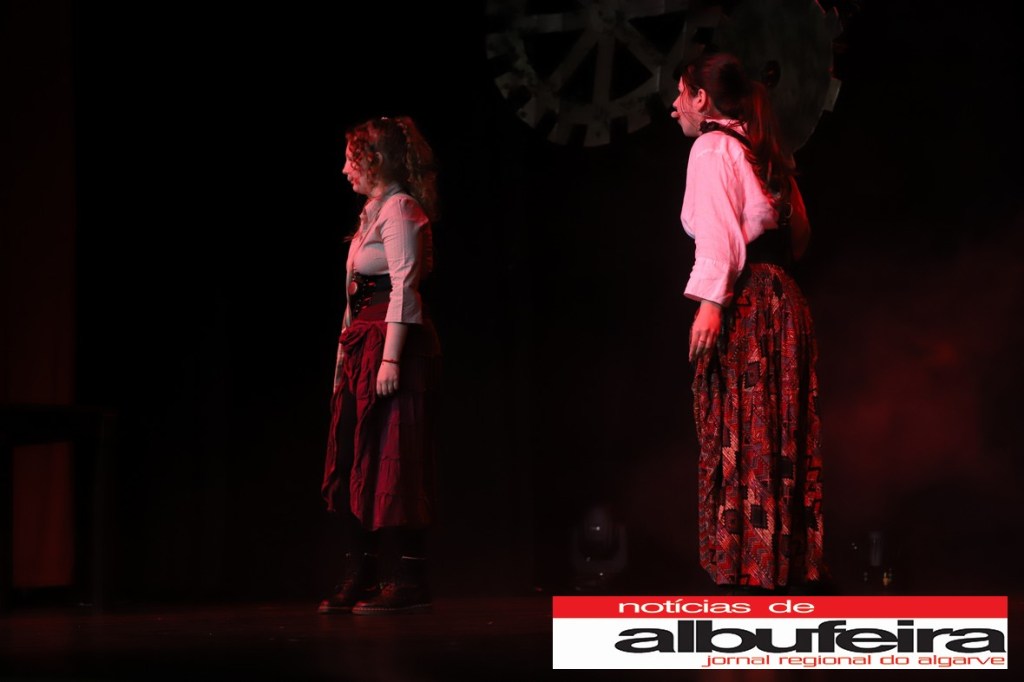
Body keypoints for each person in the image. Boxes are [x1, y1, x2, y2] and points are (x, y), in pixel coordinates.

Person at [670, 52, 825, 593]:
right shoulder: (765, 148)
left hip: (748, 302)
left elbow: (719, 233)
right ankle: (783, 567)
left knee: (744, 426)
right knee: (776, 429)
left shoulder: (712, 147)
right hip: (786, 302)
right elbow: (800, 237)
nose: (674, 108)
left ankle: (749, 571)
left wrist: (711, 303)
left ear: (701, 98)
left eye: (680, 95)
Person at [319, 115, 441, 615]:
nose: (345, 168)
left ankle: (409, 577)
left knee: (395, 455)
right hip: (361, 346)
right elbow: (353, 296)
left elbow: (404, 286)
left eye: (352, 159)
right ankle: (363, 571)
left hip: (392, 346)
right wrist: (342, 363)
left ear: (376, 160)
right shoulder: (371, 212)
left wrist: (390, 358)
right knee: (357, 455)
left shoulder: (400, 210)